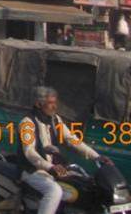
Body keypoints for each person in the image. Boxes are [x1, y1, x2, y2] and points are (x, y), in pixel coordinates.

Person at [17, 86, 111, 214]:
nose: (55, 106)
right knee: (54, 191)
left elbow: (71, 139)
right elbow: (29, 152)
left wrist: (97, 156)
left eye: (55, 103)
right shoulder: (27, 123)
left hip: (54, 170)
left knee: (84, 184)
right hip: (32, 171)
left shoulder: (55, 120)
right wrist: (49, 167)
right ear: (38, 104)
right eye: (50, 103)